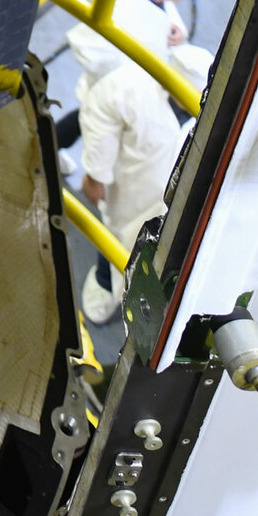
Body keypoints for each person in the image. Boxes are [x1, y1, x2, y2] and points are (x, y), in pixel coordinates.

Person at [68, 21, 186, 327]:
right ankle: (110, 291)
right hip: (145, 206)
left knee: (117, 246)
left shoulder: (128, 89)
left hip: (137, 206)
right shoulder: (128, 92)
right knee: (123, 247)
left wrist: (94, 179)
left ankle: (108, 293)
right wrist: (96, 176)